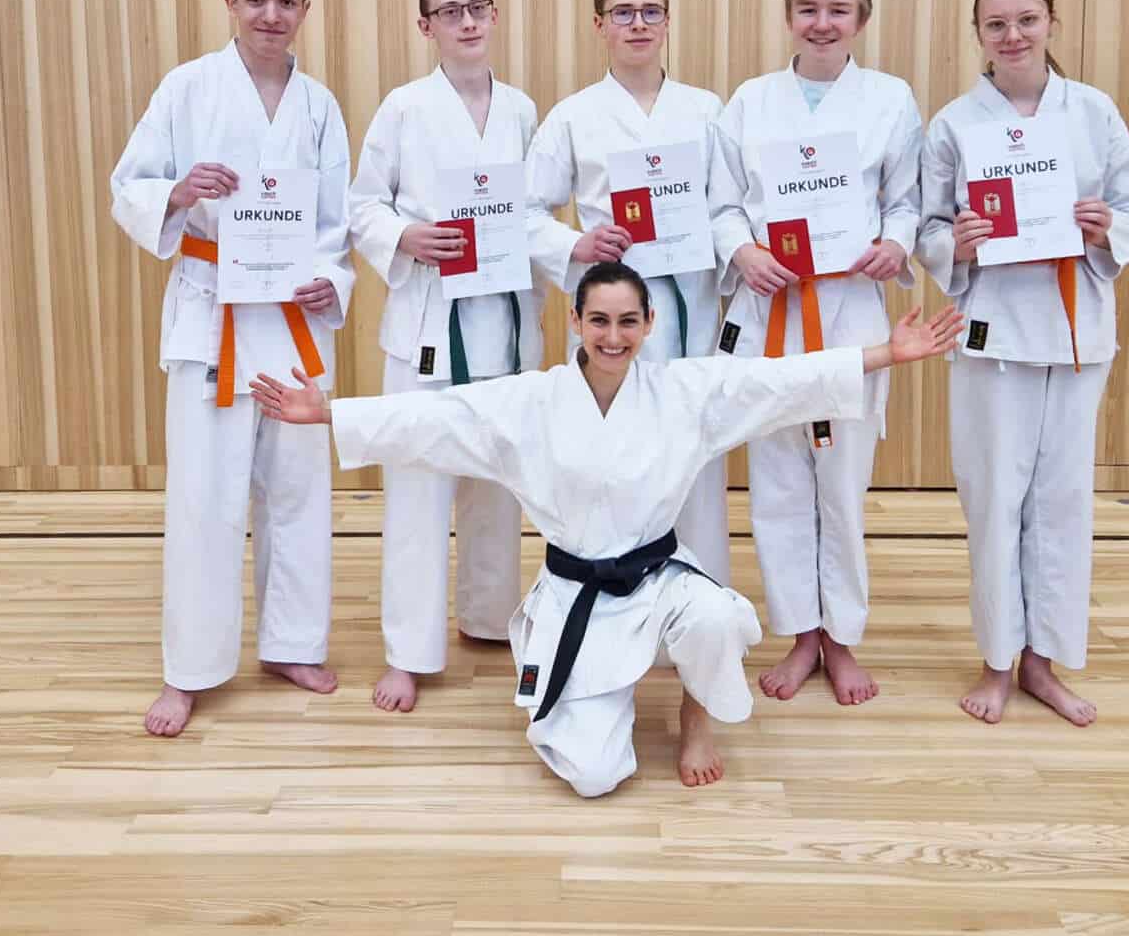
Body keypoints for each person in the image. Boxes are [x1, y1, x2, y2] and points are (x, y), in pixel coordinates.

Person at [249, 262, 963, 797]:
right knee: (593, 774)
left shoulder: (685, 390)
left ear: (649, 324)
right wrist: (329, 414)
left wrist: (883, 355)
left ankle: (696, 713)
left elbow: (778, 382)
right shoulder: (534, 401)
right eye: (599, 320)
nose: (613, 336)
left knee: (717, 615)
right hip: (576, 594)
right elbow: (440, 418)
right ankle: (598, 703)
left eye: (628, 321)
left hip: (661, 582)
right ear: (576, 324)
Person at [109, 0, 356, 737]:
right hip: (212, 311)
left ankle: (291, 643)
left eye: (287, 1)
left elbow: (335, 227)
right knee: (205, 498)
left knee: (296, 490)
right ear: (230, 3)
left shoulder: (320, 107)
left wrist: (334, 281)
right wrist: (179, 191)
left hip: (289, 319)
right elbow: (130, 187)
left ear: (305, 10)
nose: (272, 15)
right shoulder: (187, 89)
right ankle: (191, 669)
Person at [914, 0, 1129, 726]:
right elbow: (927, 229)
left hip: (1078, 331)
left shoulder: (1092, 111)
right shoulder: (954, 123)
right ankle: (995, 661)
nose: (1012, 35)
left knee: (1061, 501)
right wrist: (962, 242)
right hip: (994, 336)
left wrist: (1103, 226)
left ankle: (1043, 663)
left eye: (1026, 19)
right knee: (993, 500)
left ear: (1052, 21)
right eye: (996, 24)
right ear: (977, 35)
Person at [708, 0, 923, 706]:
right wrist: (742, 249)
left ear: (861, 17)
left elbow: (907, 198)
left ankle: (844, 636)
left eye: (838, 9)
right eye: (809, 8)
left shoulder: (891, 99)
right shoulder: (751, 100)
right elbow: (724, 199)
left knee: (843, 483)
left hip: (848, 312)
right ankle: (801, 634)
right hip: (772, 309)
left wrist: (896, 241)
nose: (822, 23)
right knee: (777, 485)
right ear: (789, 16)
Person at [348, 0, 540, 713]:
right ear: (424, 25)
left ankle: (490, 618)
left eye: (477, 7)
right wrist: (405, 236)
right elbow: (362, 206)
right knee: (419, 493)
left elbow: (531, 211)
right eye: (448, 11)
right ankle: (408, 652)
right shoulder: (402, 109)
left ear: (494, 14)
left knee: (498, 487)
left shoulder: (522, 109)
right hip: (430, 325)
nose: (465, 21)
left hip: (505, 321)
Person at [525, 0, 732, 582]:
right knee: (611, 466)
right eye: (623, 12)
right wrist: (579, 243)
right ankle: (612, 606)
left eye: (650, 11)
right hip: (612, 325)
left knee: (696, 464)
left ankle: (700, 607)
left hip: (690, 310)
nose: (637, 24)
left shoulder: (705, 109)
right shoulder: (573, 115)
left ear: (667, 21)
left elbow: (726, 208)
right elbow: (527, 212)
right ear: (600, 25)